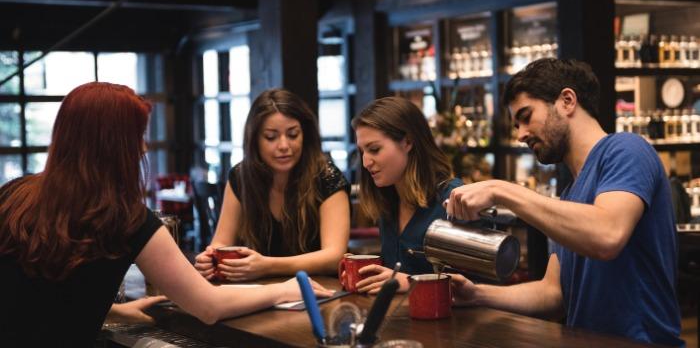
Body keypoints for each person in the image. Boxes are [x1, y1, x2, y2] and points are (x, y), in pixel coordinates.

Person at [0, 82, 331, 347]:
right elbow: (208, 306)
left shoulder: (15, 194)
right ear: (116, 145)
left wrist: (110, 310)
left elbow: (38, 296)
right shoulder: (125, 219)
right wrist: (285, 290)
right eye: (137, 136)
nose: (143, 147)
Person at [446, 58, 683, 346]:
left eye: (526, 115)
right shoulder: (571, 194)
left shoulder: (626, 150)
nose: (520, 135)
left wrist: (502, 190)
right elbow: (553, 293)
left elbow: (608, 234)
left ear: (567, 101)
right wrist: (478, 294)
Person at [195, 89, 350, 281]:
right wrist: (210, 258)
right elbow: (221, 242)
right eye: (271, 137)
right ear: (255, 141)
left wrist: (267, 266)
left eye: (293, 135)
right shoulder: (241, 176)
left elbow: (334, 256)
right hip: (259, 294)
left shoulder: (327, 178)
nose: (284, 145)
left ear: (305, 135)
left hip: (319, 293)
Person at [351, 96, 463, 294]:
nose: (366, 162)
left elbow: (479, 288)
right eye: (362, 152)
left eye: (374, 149)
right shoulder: (387, 200)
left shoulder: (452, 199)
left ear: (408, 141)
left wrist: (412, 283)